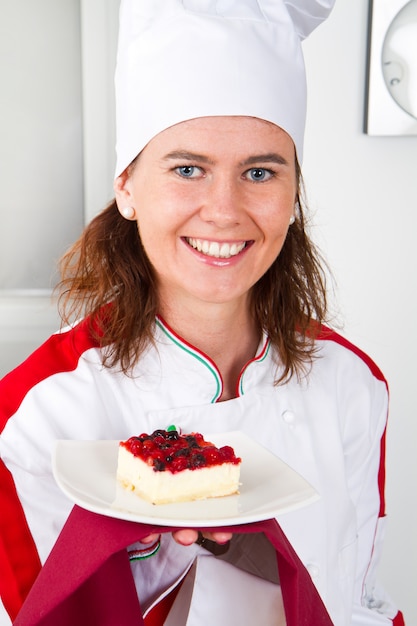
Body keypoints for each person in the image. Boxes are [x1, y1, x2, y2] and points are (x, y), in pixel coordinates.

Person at [0, 0, 405, 624]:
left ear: (293, 192)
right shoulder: (36, 411)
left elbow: (361, 603)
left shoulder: (351, 382)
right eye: (188, 169)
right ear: (127, 187)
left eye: (260, 172)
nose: (224, 211)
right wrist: (148, 556)